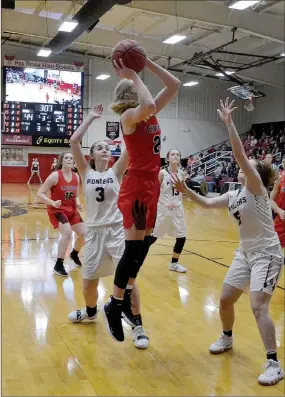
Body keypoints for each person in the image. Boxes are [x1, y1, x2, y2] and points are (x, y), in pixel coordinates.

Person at [171, 98, 284, 386]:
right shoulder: (234, 195)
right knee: (224, 300)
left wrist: (229, 123)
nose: (246, 166)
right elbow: (208, 203)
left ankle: (273, 362)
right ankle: (227, 338)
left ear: (256, 173)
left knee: (258, 306)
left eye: (251, 165)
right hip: (245, 253)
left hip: (267, 255)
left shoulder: (257, 188)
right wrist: (185, 191)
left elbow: (240, 157)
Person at [104, 57, 181, 342]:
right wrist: (134, 74)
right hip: (136, 187)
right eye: (137, 86)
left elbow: (175, 84)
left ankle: (122, 298)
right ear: (131, 95)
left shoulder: (149, 115)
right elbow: (148, 103)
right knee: (132, 249)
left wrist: (146, 63)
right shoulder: (129, 118)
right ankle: (114, 304)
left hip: (152, 186)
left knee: (144, 247)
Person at [68, 104, 148, 349]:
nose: (105, 149)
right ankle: (91, 313)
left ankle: (138, 326)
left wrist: (131, 118)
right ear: (91, 155)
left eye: (107, 147)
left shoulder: (116, 171)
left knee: (129, 281)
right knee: (88, 282)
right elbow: (74, 140)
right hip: (93, 233)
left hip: (116, 230)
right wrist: (91, 117)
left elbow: (131, 146)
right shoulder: (85, 172)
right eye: (100, 147)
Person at [37, 153, 85, 276]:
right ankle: (58, 264)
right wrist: (52, 202)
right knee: (67, 232)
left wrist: (78, 203)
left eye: (71, 158)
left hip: (72, 210)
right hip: (57, 210)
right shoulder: (54, 176)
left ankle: (74, 254)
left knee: (85, 234)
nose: (70, 159)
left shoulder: (76, 176)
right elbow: (40, 193)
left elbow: (76, 195)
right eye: (67, 158)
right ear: (61, 161)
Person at [150, 149, 187, 272]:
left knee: (181, 237)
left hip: (177, 210)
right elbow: (154, 192)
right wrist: (162, 204)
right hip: (163, 210)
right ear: (167, 159)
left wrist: (180, 200)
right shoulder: (162, 173)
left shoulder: (182, 173)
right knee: (154, 237)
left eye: (178, 154)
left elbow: (183, 191)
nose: (176, 156)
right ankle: (135, 257)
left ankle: (174, 263)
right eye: (173, 154)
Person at [270, 162, 285, 259]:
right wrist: (279, 211)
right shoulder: (279, 179)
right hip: (281, 218)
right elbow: (270, 199)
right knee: (274, 252)